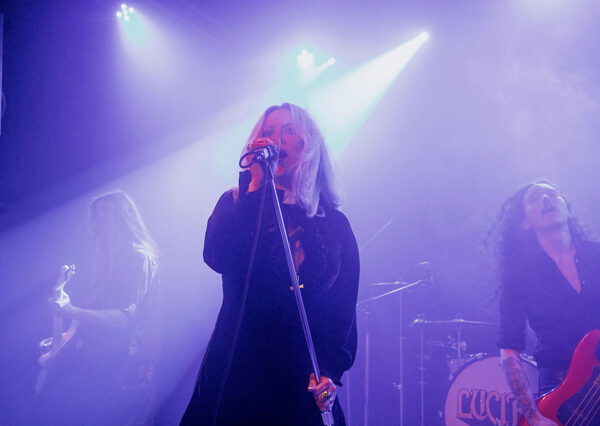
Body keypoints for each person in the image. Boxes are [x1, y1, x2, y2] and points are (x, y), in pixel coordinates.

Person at [182, 103, 360, 425]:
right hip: (240, 364)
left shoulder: (333, 224)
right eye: (268, 132)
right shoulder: (236, 203)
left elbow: (343, 308)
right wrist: (254, 190)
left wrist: (330, 370)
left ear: (309, 144)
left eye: (288, 131)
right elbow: (218, 257)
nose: (276, 140)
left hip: (303, 373)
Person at [43, 190, 159, 425]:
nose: (99, 220)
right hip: (90, 354)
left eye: (106, 212)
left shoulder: (138, 258)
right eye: (95, 214)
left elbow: (124, 318)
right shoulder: (103, 259)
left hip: (115, 359)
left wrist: (71, 310)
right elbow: (87, 312)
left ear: (123, 218)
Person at [491, 180, 600, 425]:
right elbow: (509, 351)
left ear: (567, 209)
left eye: (552, 194)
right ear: (525, 222)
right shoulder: (520, 277)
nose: (546, 199)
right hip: (562, 392)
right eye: (534, 198)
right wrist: (534, 417)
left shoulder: (597, 255)